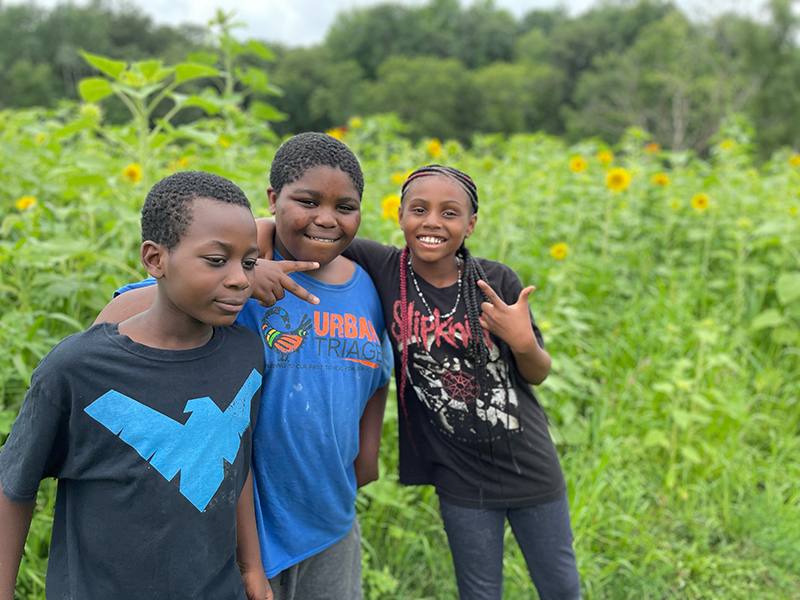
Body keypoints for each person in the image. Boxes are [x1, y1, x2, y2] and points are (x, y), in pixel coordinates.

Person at [95, 133, 393, 600]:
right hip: (232, 533)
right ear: (273, 199)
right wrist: (250, 273)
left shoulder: (368, 287)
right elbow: (114, 319)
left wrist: (363, 465)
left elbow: (375, 379)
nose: (325, 218)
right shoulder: (236, 276)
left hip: (329, 527)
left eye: (345, 206)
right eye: (307, 201)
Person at [0, 171, 269, 600]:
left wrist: (251, 567)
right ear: (155, 259)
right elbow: (14, 485)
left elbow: (232, 460)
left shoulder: (246, 354)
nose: (239, 279)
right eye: (217, 260)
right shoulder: (78, 369)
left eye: (249, 262)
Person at [335, 165, 582, 600]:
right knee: (479, 592)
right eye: (418, 209)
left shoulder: (495, 281)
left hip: (530, 464)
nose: (432, 221)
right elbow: (318, 230)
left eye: (449, 213)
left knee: (560, 587)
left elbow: (537, 372)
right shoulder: (384, 268)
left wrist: (523, 342)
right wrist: (257, 246)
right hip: (459, 476)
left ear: (470, 225)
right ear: (399, 216)